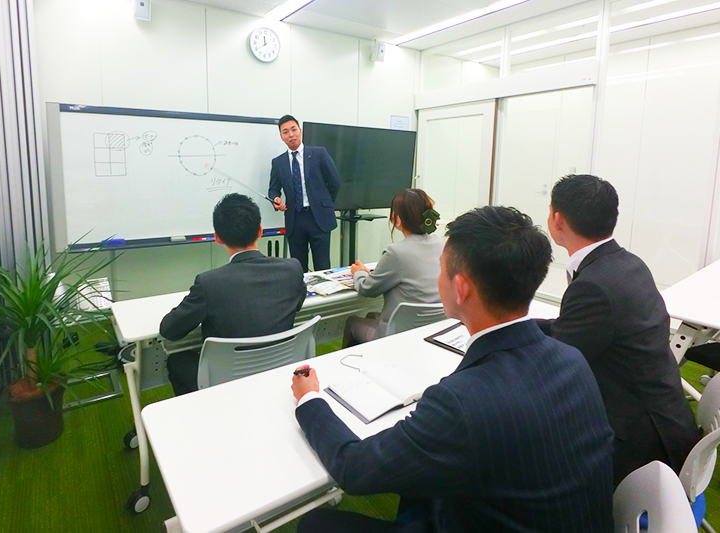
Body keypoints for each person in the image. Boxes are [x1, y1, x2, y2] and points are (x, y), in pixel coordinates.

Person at [292, 206, 614, 533]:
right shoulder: (572, 360)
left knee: (317, 524)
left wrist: (310, 399)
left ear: (461, 288)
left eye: (441, 270)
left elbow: (352, 468)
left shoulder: (461, 404)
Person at [538, 174, 700, 486]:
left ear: (557, 220)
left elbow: (556, 363)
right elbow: (578, 330)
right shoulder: (628, 264)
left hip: (642, 449)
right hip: (670, 423)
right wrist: (525, 327)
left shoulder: (593, 285)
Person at [160, 193, 306, 396]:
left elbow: (169, 330)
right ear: (260, 231)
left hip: (226, 383)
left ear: (217, 238)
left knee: (177, 359)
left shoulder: (209, 283)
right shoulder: (292, 269)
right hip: (279, 371)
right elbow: (297, 303)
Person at [343, 189, 445, 347]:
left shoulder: (396, 252)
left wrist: (359, 273)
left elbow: (367, 289)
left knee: (352, 322)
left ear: (397, 219)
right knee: (371, 315)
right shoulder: (443, 244)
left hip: (400, 335)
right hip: (433, 330)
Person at [268, 115, 340, 272]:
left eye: (294, 130)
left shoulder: (319, 154)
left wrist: (324, 203)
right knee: (298, 268)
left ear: (300, 131)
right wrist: (276, 199)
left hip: (318, 218)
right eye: (286, 132)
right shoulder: (278, 162)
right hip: (295, 219)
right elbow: (273, 189)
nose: (291, 135)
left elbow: (334, 182)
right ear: (281, 136)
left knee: (323, 267)